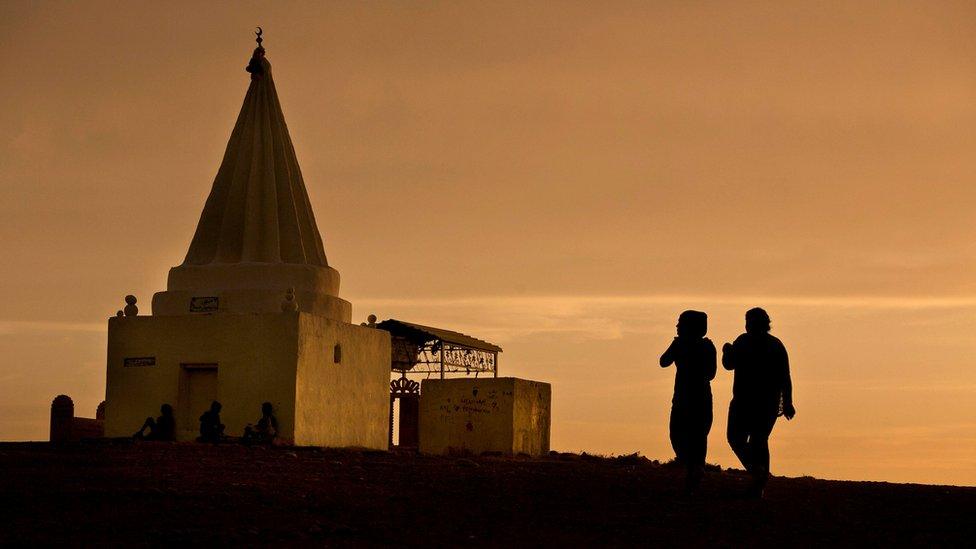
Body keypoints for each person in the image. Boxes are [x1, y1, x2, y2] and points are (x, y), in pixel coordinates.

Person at [722, 307, 796, 498]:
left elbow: (729, 364)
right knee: (757, 441)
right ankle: (759, 478)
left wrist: (726, 350)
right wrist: (787, 402)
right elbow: (785, 377)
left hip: (748, 401)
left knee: (740, 439)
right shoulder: (774, 345)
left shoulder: (746, 342)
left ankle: (758, 477)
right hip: (763, 402)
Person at [659, 310, 716, 492]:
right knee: (692, 436)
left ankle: (694, 470)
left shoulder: (690, 345)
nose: (677, 327)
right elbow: (711, 373)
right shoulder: (706, 346)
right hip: (698, 397)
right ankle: (695, 468)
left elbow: (663, 361)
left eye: (680, 324)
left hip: (687, 397)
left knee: (683, 434)